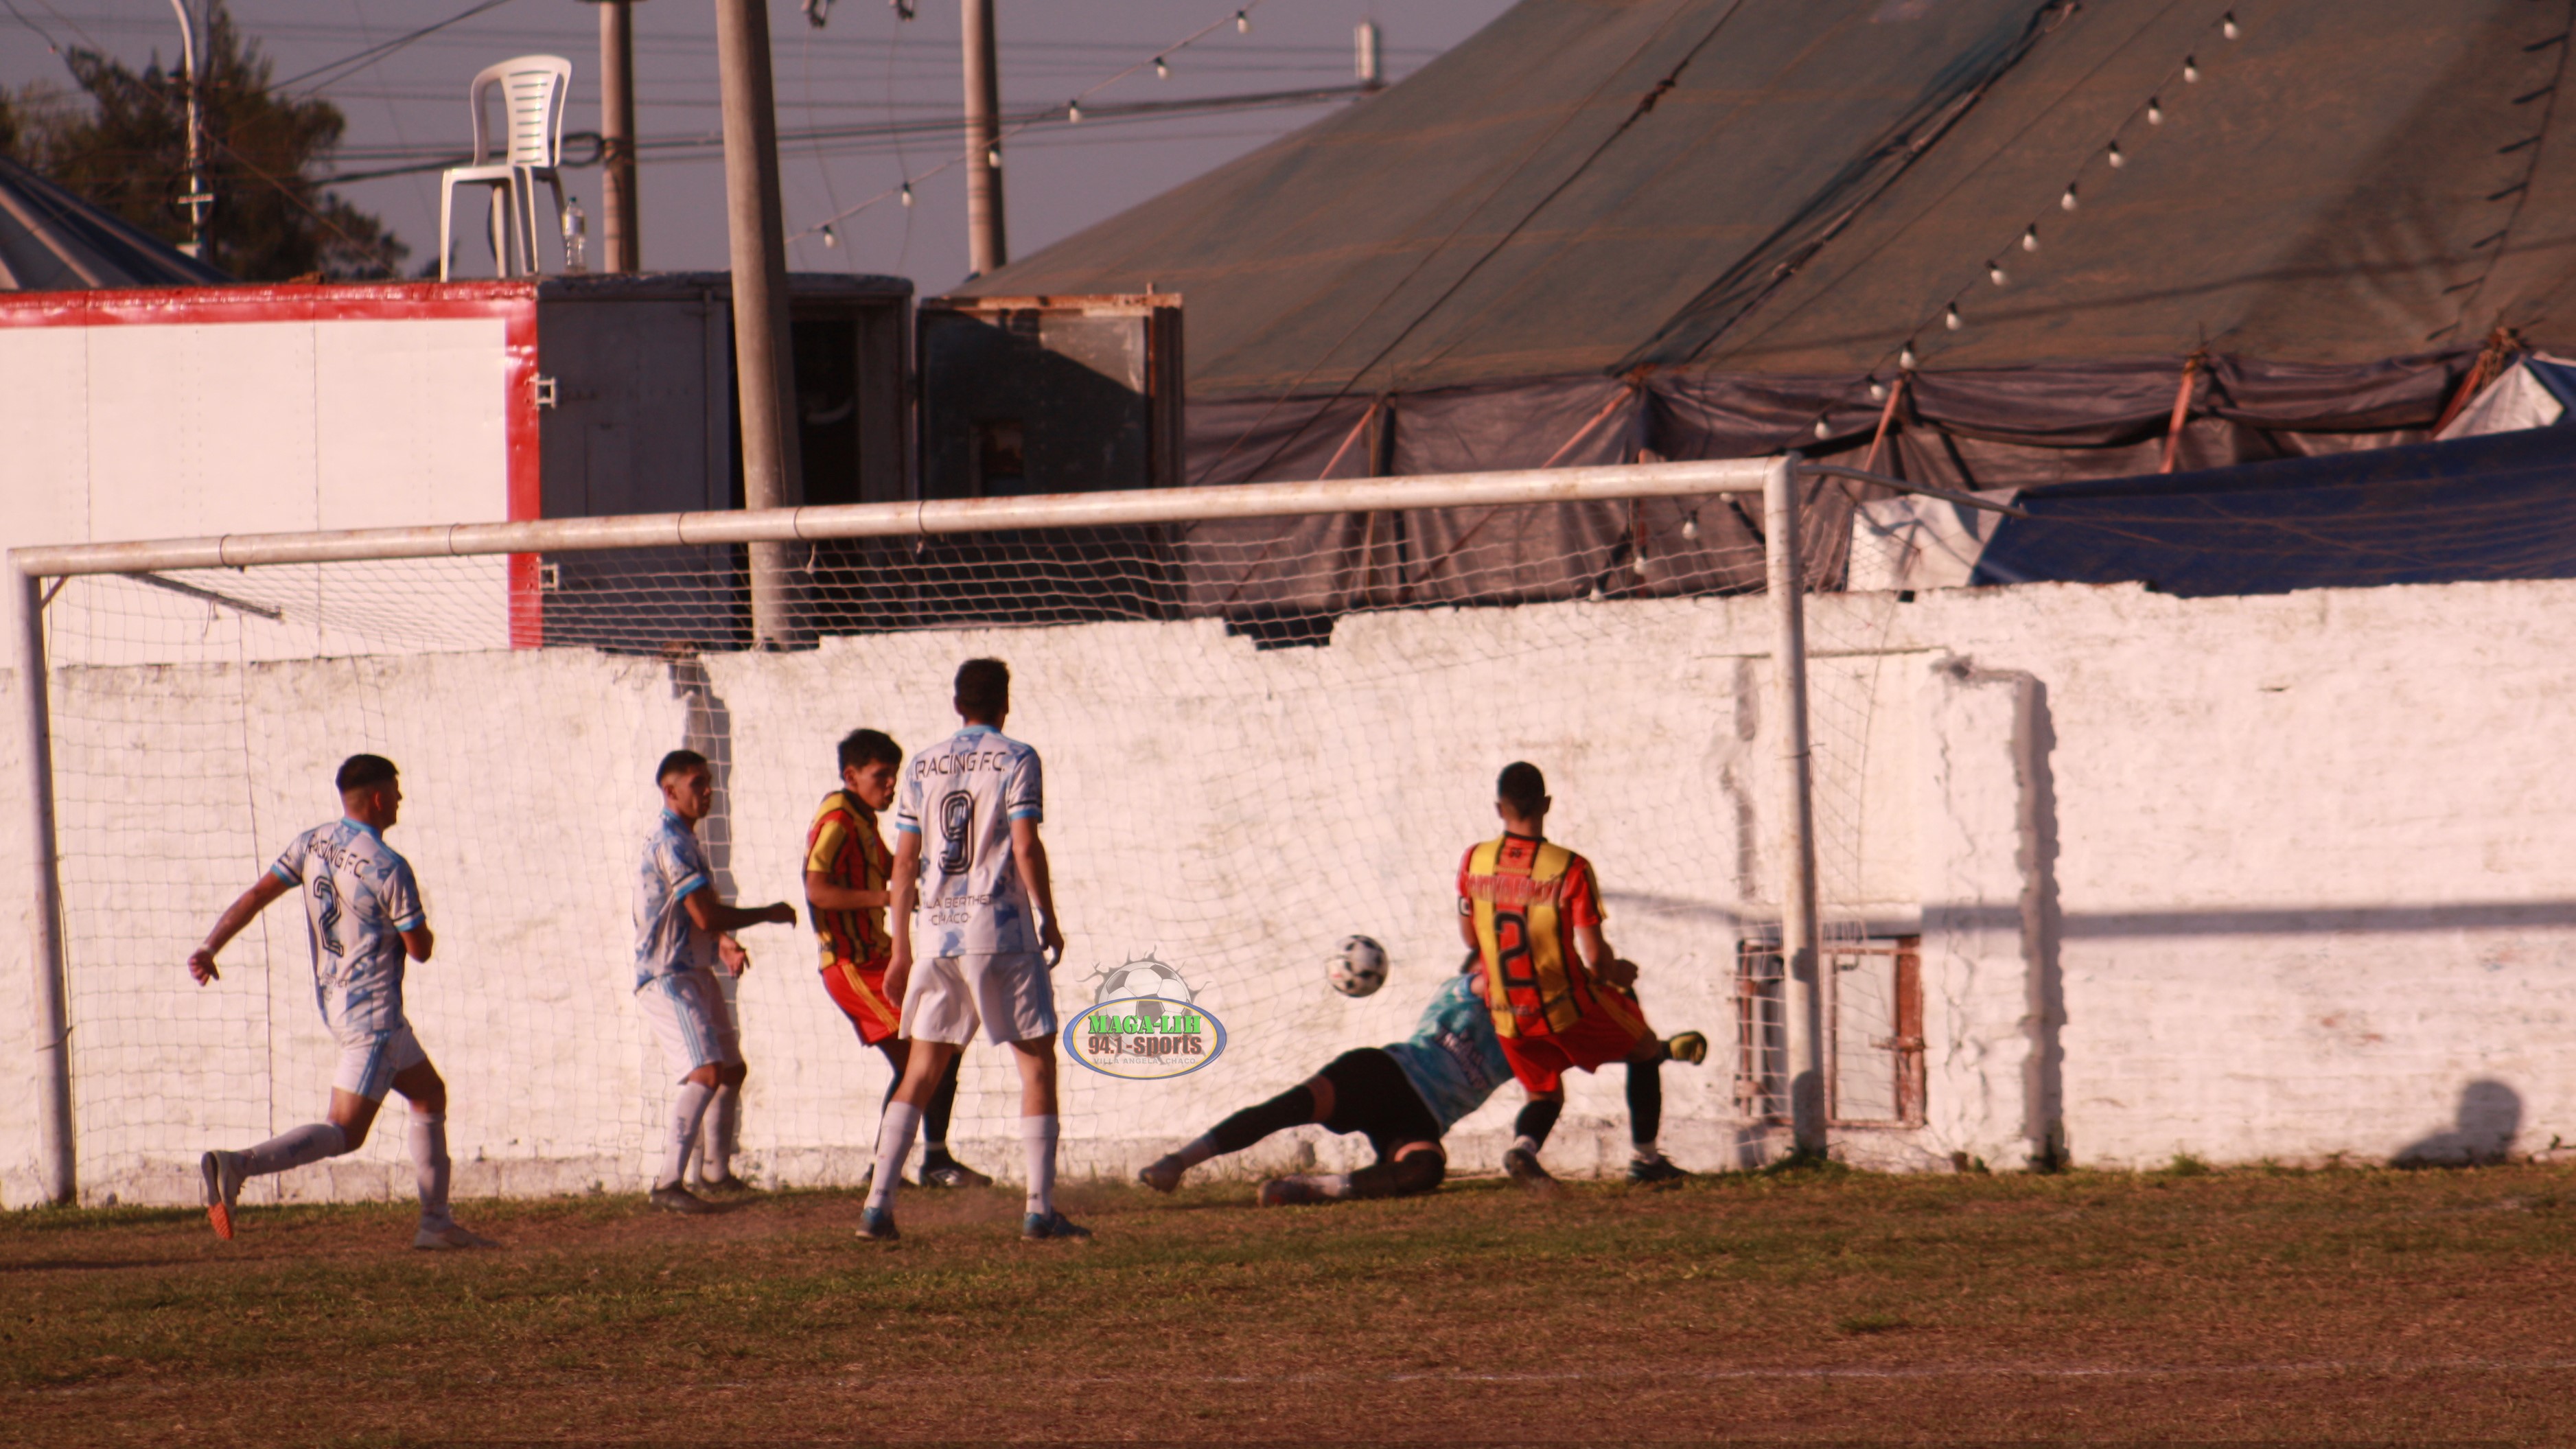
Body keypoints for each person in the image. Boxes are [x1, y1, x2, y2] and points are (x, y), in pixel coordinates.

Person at [186, 754, 496, 1249]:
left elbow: (257, 894)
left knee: (428, 1092)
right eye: (396, 790)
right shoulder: (389, 866)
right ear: (378, 797)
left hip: (337, 1002)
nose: (400, 799)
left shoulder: (312, 841)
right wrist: (417, 926)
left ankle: (436, 1222)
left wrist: (209, 945)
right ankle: (238, 1163)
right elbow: (420, 951)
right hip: (372, 1014)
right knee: (345, 1132)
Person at [859, 658, 1087, 1242]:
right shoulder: (1017, 757)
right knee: (1035, 1061)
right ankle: (1039, 1209)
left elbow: (905, 862)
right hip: (999, 929)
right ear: (1004, 702)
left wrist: (902, 950)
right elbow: (1024, 842)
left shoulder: (923, 764)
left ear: (957, 703)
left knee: (922, 1069)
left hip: (937, 933)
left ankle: (878, 1205)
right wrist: (1049, 916)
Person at [1459, 761, 1706, 1187]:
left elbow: (1470, 939)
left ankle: (1522, 1149)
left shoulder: (1474, 860)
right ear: (1547, 805)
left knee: (1545, 1093)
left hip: (1505, 1013)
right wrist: (1619, 971)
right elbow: (1596, 959)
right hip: (1564, 1007)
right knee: (1644, 1050)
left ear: (1500, 808)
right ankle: (1646, 1162)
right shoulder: (1570, 868)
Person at [1139, 961, 1540, 1205]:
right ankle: (1177, 1162)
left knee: (1426, 1170)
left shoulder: (1528, 1042)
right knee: (1287, 1108)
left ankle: (1315, 1188)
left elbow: (1546, 1091)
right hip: (1383, 1075)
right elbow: (1490, 983)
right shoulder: (1461, 992)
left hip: (1421, 1120)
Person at [804, 727, 988, 1190]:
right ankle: (908, 1164)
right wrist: (887, 897)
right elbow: (816, 889)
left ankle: (921, 1159)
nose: (890, 785)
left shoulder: (862, 819)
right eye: (880, 776)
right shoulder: (836, 820)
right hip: (850, 963)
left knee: (941, 1045)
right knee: (921, 1058)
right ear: (850, 775)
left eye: (893, 776)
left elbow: (894, 867)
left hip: (877, 955)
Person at [635, 748, 797, 1214]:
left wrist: (722, 941)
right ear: (670, 791)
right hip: (666, 975)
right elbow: (702, 911)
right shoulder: (670, 840)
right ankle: (668, 1182)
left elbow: (693, 913)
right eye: (696, 784)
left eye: (708, 782)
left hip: (694, 969)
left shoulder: (684, 837)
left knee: (729, 1069)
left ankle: (715, 1173)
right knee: (704, 1073)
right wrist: (765, 914)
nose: (707, 792)